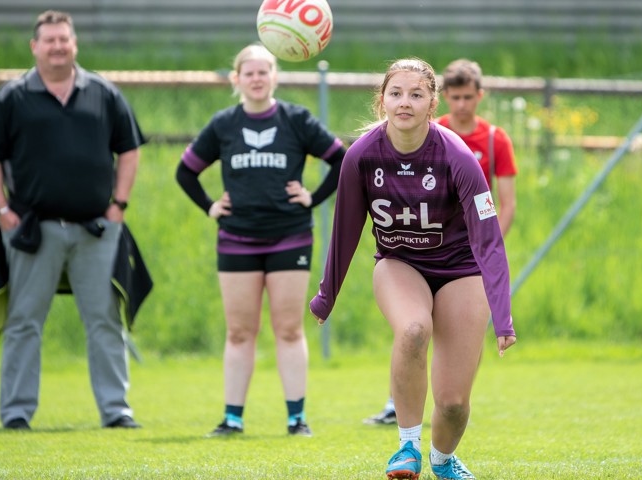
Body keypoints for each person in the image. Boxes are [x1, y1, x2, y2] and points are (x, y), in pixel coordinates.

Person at [309, 58, 516, 479]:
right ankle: (407, 447)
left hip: (461, 270)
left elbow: (489, 239)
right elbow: (345, 232)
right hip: (399, 263)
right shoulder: (361, 156)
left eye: (416, 94)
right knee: (413, 329)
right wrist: (326, 296)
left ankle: (443, 461)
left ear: (431, 103)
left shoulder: (458, 156)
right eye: (396, 93)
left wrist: (503, 314)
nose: (405, 102)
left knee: (454, 403)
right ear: (382, 100)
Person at [0, 10, 146, 430]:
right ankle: (15, 414)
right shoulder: (11, 97)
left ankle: (116, 411)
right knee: (24, 322)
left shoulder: (104, 93)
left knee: (105, 321)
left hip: (96, 229)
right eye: (49, 40)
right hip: (33, 230)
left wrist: (118, 204)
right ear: (35, 46)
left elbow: (130, 148)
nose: (57, 47)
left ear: (75, 44)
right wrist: (2, 210)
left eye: (64, 39)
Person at [175, 44, 345, 437]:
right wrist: (210, 207)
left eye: (263, 71)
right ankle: (232, 418)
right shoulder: (223, 124)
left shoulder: (296, 119)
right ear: (237, 79)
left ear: (274, 76)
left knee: (288, 328)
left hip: (290, 236)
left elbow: (341, 159)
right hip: (237, 239)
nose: (256, 78)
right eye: (248, 73)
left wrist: (313, 198)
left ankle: (296, 418)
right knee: (239, 332)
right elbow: (185, 172)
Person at [365, 58, 519, 427]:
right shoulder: (424, 129)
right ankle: (397, 407)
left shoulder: (494, 140)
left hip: (465, 255)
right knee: (412, 328)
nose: (462, 104)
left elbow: (506, 203)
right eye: (456, 96)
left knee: (455, 366)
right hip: (413, 248)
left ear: (479, 96)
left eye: (469, 97)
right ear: (443, 98)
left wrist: (486, 252)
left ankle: (447, 425)